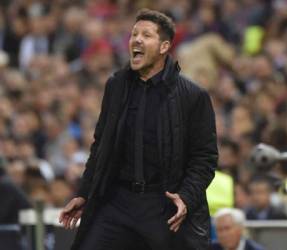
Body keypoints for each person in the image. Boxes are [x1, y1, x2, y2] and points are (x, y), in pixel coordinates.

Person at [59, 9, 218, 250]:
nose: (137, 40)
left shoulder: (192, 96)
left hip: (162, 205)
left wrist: (186, 196)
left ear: (164, 47)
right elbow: (101, 146)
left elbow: (204, 158)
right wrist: (85, 193)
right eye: (134, 34)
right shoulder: (116, 86)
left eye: (146, 35)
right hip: (117, 202)